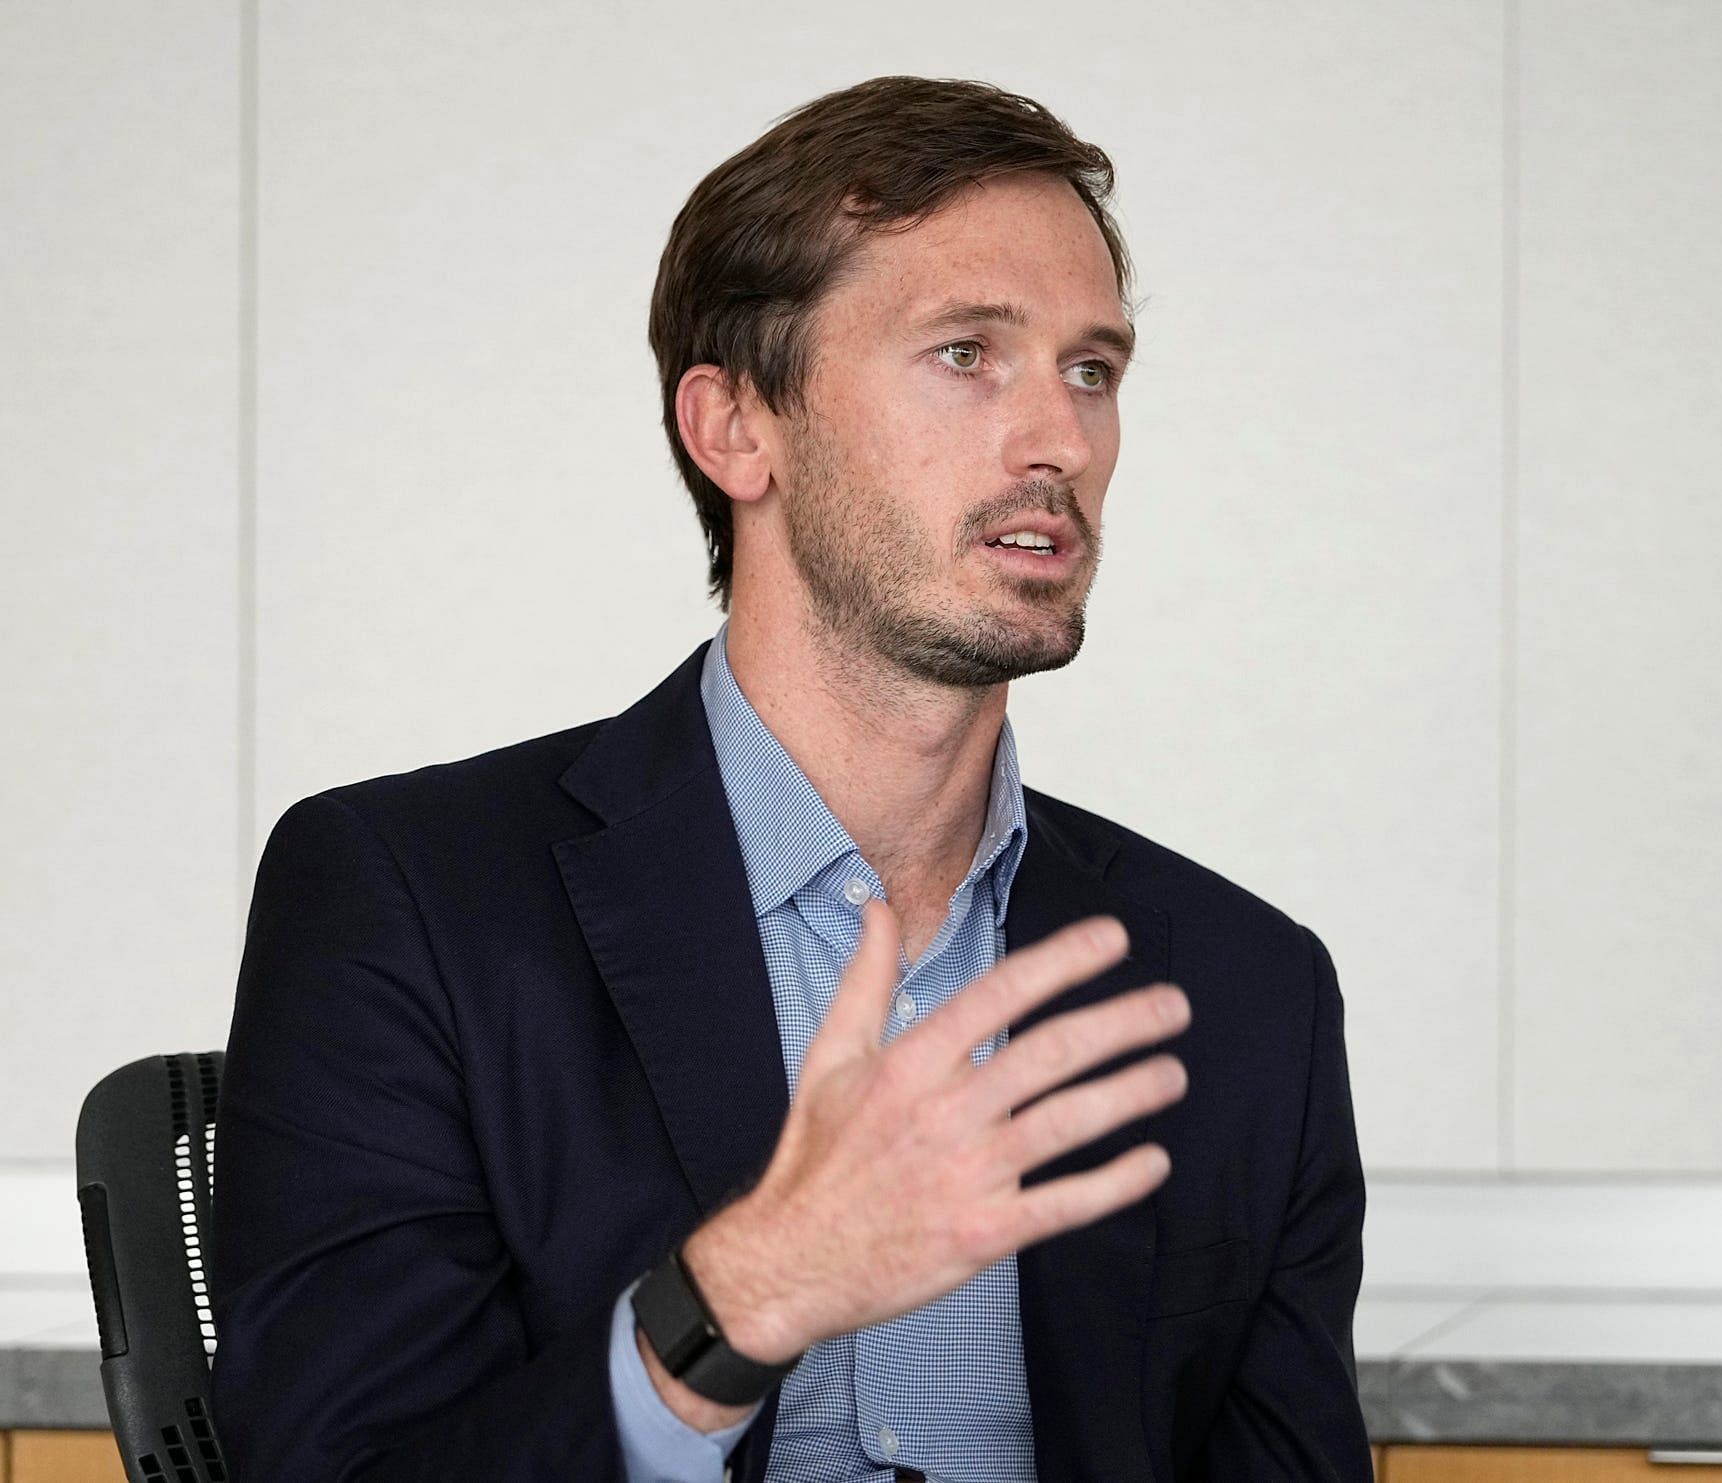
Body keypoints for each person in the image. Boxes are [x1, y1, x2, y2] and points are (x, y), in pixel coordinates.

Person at [210, 74, 1372, 1483]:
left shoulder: (1249, 991)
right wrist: (742, 1301)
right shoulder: (414, 901)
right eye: (964, 353)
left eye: (1091, 369)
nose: (1058, 439)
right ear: (735, 429)